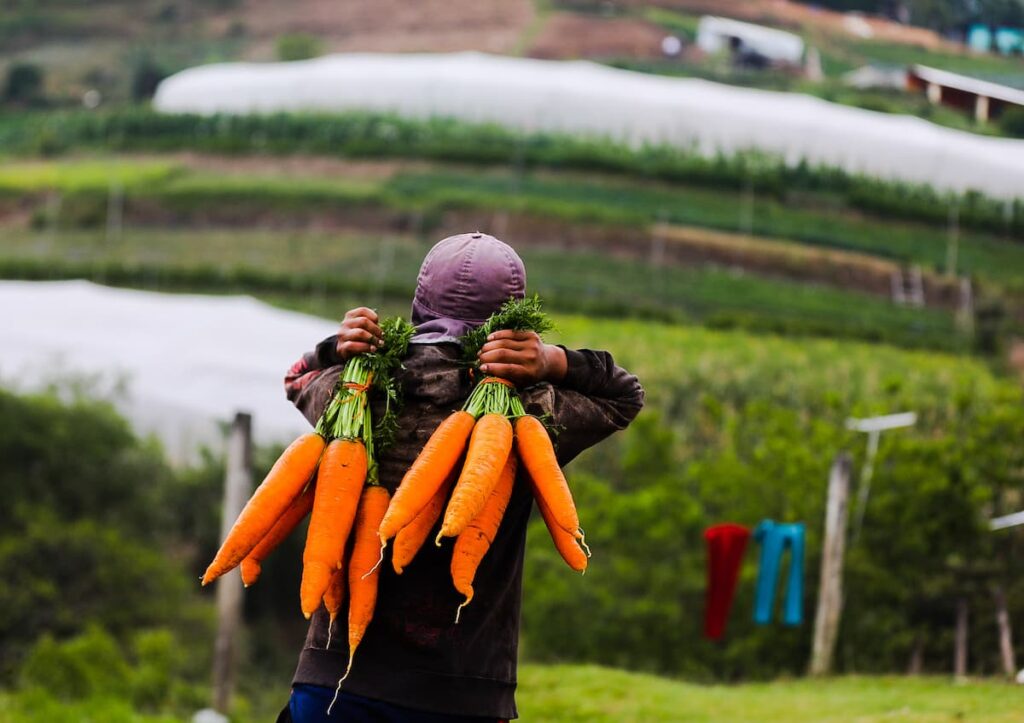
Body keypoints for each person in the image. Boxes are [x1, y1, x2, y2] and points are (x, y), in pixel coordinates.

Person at [278, 232, 644, 722]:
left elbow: (296, 377)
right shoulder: (531, 413)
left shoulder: (355, 391)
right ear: (510, 324)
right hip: (463, 694)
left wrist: (339, 349)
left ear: (417, 308)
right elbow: (624, 396)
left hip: (333, 684)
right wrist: (550, 361)